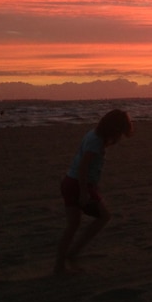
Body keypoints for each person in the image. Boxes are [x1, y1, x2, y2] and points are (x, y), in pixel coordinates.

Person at [54, 109, 134, 275]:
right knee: (104, 217)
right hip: (77, 184)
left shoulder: (93, 135)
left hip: (70, 181)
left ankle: (60, 264)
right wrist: (84, 192)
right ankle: (73, 254)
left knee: (72, 225)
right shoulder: (95, 142)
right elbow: (83, 166)